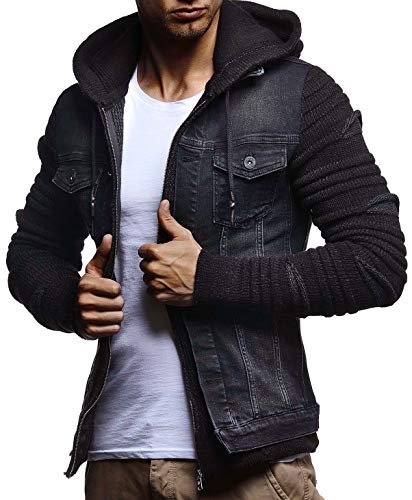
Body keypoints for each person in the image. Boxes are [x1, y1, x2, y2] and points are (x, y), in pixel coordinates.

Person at [6, 0, 407, 498]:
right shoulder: (85, 107)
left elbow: (376, 260)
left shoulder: (296, 94)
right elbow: (34, 249)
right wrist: (70, 300)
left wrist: (211, 279)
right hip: (116, 455)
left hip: (248, 462)